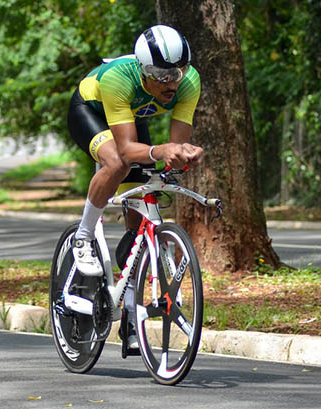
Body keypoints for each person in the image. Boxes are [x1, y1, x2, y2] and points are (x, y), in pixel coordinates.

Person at [67, 24, 203, 348]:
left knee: (138, 218)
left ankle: (129, 307)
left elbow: (175, 152)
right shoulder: (119, 78)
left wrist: (185, 155)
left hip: (129, 115)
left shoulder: (189, 82)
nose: (171, 82)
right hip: (91, 110)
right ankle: (83, 237)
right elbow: (128, 150)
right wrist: (160, 151)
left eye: (178, 72)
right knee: (117, 162)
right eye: (161, 75)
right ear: (144, 69)